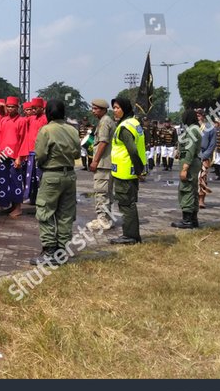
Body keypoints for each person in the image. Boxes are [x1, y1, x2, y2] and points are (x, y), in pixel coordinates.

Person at [29, 99, 81, 265]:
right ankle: (61, 250)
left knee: (46, 211)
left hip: (52, 174)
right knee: (66, 214)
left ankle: (49, 251)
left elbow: (40, 155)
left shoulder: (46, 130)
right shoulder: (72, 130)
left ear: (48, 113)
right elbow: (77, 154)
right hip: (70, 175)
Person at [108, 96, 146, 245]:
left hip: (125, 172)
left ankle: (130, 236)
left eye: (117, 108)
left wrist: (138, 170)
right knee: (129, 203)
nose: (115, 111)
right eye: (114, 108)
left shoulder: (124, 127)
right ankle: (133, 235)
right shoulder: (134, 123)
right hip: (129, 171)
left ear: (125, 108)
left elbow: (133, 150)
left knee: (126, 205)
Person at [0, 96, 27, 217]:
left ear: (17, 107)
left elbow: (24, 139)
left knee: (16, 181)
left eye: (13, 107)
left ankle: (18, 207)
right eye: (8, 106)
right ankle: (11, 205)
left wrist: (19, 157)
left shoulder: (21, 121)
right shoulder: (3, 120)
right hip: (3, 155)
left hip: (15, 156)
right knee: (4, 181)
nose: (10, 109)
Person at [87, 98, 116, 231]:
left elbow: (103, 143)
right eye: (93, 108)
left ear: (104, 109)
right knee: (107, 192)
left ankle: (102, 219)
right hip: (107, 163)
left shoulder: (104, 122)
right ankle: (106, 217)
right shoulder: (105, 121)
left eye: (96, 108)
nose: (93, 111)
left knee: (101, 192)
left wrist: (95, 161)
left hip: (104, 163)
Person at [171, 109, 202, 229]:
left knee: (186, 189)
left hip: (190, 163)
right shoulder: (193, 129)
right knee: (192, 190)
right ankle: (193, 219)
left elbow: (190, 150)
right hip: (192, 162)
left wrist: (185, 168)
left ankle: (187, 220)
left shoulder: (193, 130)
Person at [197, 109, 216, 208]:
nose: (198, 117)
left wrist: (205, 156)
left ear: (203, 116)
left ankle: (201, 200)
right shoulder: (192, 128)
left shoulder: (210, 128)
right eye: (196, 115)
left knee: (202, 179)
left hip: (204, 155)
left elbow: (212, 145)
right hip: (193, 156)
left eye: (199, 115)